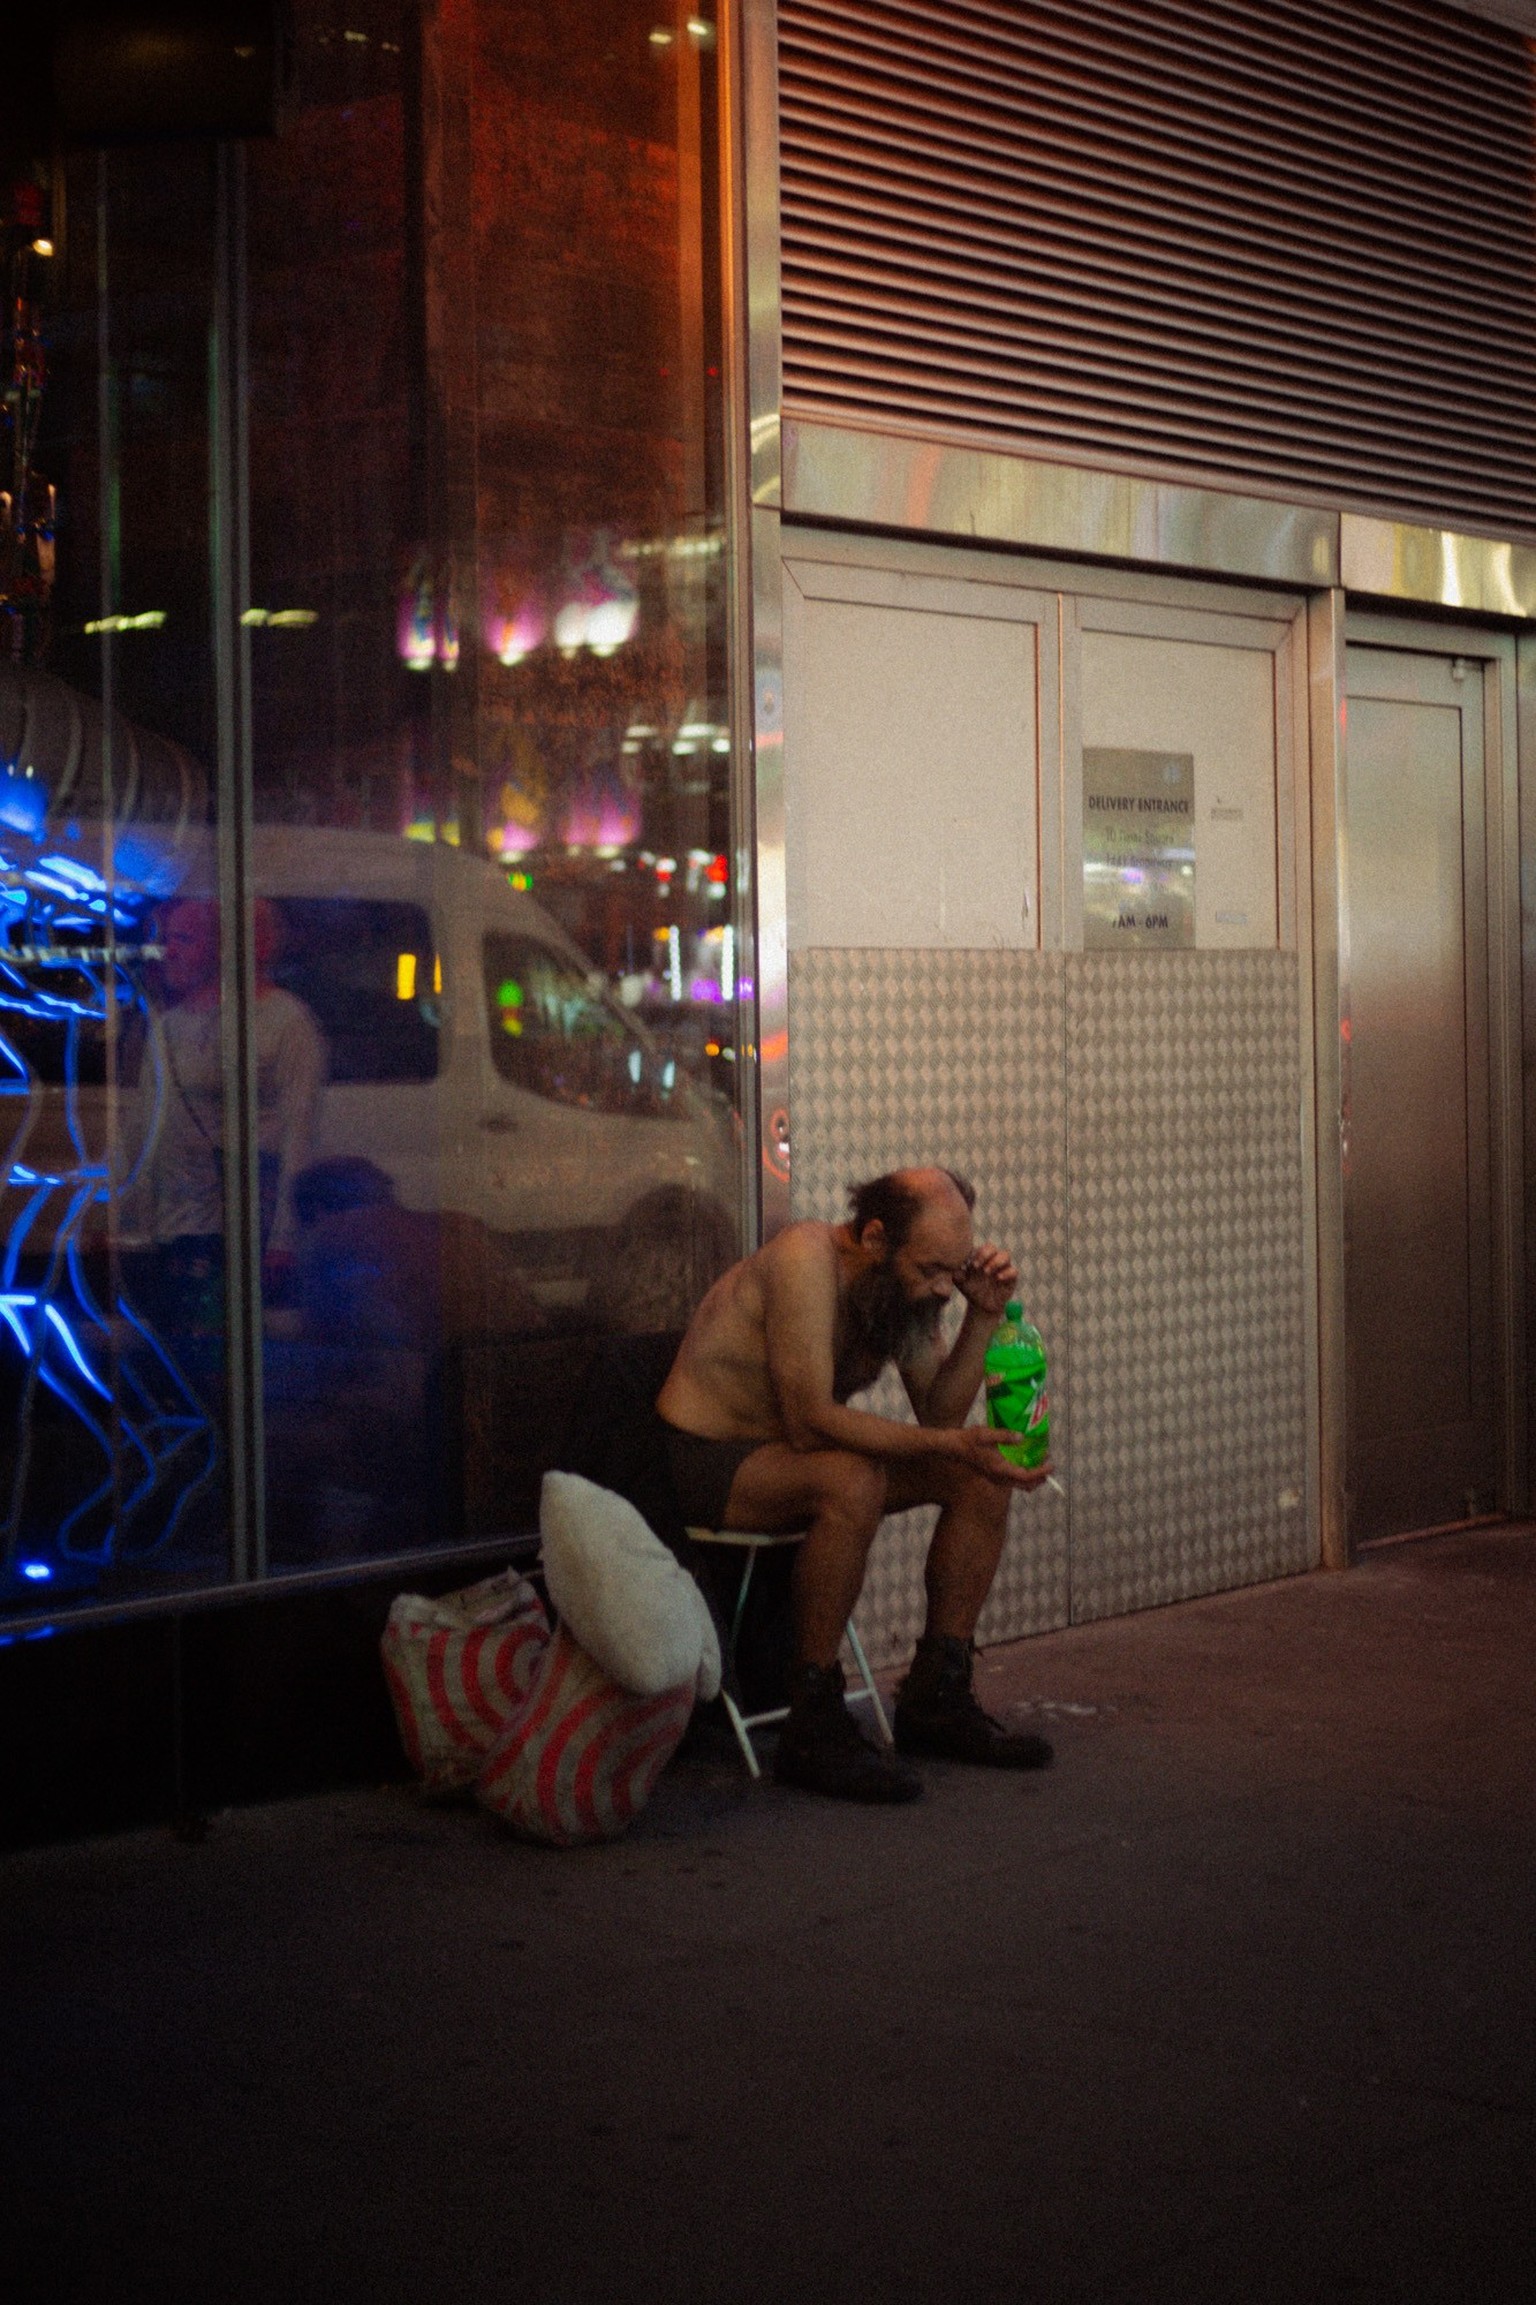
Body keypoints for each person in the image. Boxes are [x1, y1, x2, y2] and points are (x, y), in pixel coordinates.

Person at [657, 1166, 1055, 1803]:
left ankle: (937, 1695)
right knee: (851, 1480)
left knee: (977, 1475)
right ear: (874, 1239)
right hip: (709, 1460)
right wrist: (950, 1443)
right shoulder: (804, 1260)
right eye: (929, 1270)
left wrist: (982, 1318)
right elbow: (811, 1421)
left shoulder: (901, 1292)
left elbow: (941, 1416)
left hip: (787, 1455)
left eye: (954, 1273)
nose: (941, 1289)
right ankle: (812, 1716)